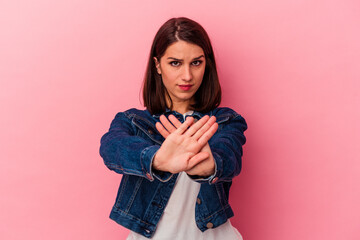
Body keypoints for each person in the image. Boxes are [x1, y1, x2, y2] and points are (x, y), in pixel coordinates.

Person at [99, 17, 247, 239]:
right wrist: (158, 159)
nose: (187, 76)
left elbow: (230, 155)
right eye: (175, 63)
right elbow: (111, 148)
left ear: (207, 64)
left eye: (196, 62)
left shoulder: (225, 121)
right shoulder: (134, 121)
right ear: (157, 65)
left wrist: (210, 166)